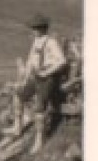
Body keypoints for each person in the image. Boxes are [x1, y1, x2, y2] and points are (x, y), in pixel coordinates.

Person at [19, 14, 68, 153]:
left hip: (48, 78)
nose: (32, 31)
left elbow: (62, 61)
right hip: (36, 76)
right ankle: (18, 126)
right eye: (32, 28)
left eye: (34, 28)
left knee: (39, 107)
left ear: (41, 29)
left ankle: (39, 140)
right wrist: (25, 78)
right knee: (20, 95)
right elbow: (30, 60)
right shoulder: (36, 41)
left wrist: (47, 73)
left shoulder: (51, 42)